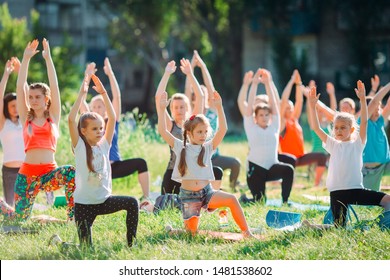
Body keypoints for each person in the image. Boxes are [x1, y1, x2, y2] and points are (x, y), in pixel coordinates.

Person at [156, 84, 255, 238]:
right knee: (191, 235)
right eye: (199, 132)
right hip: (188, 197)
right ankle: (175, 231)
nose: (203, 135)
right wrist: (162, 109)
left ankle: (247, 232)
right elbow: (163, 131)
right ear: (189, 133)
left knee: (232, 199)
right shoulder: (180, 146)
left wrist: (219, 108)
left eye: (205, 132)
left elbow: (222, 130)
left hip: (207, 192)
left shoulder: (208, 147)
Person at [0, 39, 75, 221]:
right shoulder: (26, 117)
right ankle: (2, 205)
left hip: (49, 174)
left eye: (37, 97)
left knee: (71, 172)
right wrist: (25, 59)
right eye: (31, 97)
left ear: (46, 99)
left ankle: (72, 218)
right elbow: (20, 86)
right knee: (19, 219)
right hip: (27, 175)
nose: (33, 100)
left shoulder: (53, 117)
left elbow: (55, 86)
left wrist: (48, 59)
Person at [68, 73, 138, 247]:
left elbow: (112, 118)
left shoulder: (104, 145)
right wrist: (81, 95)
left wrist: (104, 93)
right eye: (94, 129)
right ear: (83, 131)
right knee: (86, 248)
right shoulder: (80, 147)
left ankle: (131, 243)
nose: (100, 131)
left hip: (104, 201)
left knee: (132, 203)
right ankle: (67, 246)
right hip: (83, 206)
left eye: (101, 128)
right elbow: (71, 119)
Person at [307, 81, 390, 227]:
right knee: (339, 229)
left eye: (343, 128)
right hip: (337, 193)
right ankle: (311, 226)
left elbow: (364, 121)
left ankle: (379, 224)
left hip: (356, 190)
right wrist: (312, 105)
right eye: (336, 128)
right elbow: (316, 127)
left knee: (387, 200)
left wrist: (363, 99)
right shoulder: (332, 144)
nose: (338, 131)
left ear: (351, 130)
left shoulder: (358, 143)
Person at [80, 58, 152, 206]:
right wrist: (86, 78)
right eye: (94, 107)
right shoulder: (88, 122)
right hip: (97, 167)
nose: (97, 109)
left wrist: (111, 74)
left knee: (141, 163)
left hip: (115, 165)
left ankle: (146, 197)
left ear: (107, 109)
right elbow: (81, 101)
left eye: (101, 106)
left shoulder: (112, 121)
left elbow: (117, 97)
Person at [156, 59, 223, 194]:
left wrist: (190, 74)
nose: (179, 110)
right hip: (174, 172)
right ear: (171, 109)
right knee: (166, 204)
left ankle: (211, 199)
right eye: (175, 107)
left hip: (193, 172)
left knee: (216, 171)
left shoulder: (193, 124)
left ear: (188, 107)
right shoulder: (170, 124)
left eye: (182, 107)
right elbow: (158, 98)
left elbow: (200, 96)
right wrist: (167, 73)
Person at [186, 51, 241, 191]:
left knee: (235, 163)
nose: (203, 96)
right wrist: (190, 69)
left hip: (214, 156)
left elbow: (211, 89)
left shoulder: (212, 111)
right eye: (199, 94)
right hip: (198, 159)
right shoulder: (192, 115)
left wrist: (203, 66)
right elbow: (188, 90)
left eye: (204, 94)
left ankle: (233, 187)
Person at [242, 68, 294, 203]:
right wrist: (253, 84)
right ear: (256, 117)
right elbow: (248, 108)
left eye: (266, 115)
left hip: (271, 167)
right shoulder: (251, 127)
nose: (264, 117)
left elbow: (275, 105)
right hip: (255, 170)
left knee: (288, 169)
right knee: (260, 202)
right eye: (261, 115)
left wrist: (268, 83)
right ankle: (246, 200)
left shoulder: (274, 126)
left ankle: (285, 201)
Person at [279, 69, 328, 186]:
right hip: (288, 159)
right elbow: (284, 100)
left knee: (322, 157)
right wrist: (291, 81)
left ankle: (317, 183)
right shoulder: (281, 122)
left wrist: (298, 84)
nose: (290, 109)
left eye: (291, 107)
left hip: (300, 157)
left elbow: (299, 101)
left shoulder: (294, 119)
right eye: (287, 108)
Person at [0, 58, 25, 206]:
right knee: (10, 205)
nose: (16, 108)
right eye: (12, 105)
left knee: (24, 205)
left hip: (25, 169)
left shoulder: (24, 121)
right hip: (9, 170)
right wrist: (6, 75)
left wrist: (21, 72)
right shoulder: (3, 123)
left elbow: (26, 93)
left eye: (18, 105)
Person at [359, 81, 390, 191]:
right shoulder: (363, 123)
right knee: (368, 203)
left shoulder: (380, 121)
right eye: (374, 110)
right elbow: (374, 101)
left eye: (378, 109)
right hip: (371, 170)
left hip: (385, 164)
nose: (377, 112)